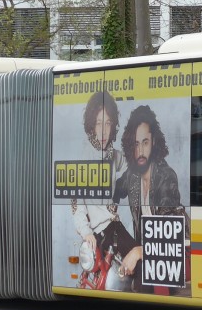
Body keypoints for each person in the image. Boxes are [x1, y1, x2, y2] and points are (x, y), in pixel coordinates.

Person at [118, 105, 188, 295]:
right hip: (147, 252)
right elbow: (112, 191)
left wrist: (137, 253)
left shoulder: (166, 176)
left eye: (145, 142)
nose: (140, 150)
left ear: (154, 142)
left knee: (141, 284)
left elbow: (167, 237)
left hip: (174, 253)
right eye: (136, 144)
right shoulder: (132, 175)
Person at [70, 91, 134, 269]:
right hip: (102, 231)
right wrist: (86, 232)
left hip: (113, 225)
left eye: (108, 123)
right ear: (91, 125)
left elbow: (131, 164)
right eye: (99, 123)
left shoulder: (112, 154)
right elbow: (76, 205)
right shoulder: (84, 158)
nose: (104, 130)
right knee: (140, 256)